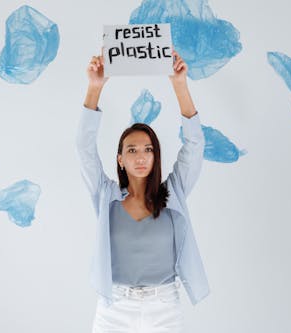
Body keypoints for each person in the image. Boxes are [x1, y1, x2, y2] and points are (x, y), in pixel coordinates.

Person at [77, 51, 210, 333]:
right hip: (114, 309)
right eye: (132, 150)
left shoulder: (174, 192)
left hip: (164, 309)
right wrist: (94, 87)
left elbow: (195, 144)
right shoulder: (106, 196)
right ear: (120, 159)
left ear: (156, 157)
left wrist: (179, 85)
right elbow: (84, 148)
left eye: (148, 150)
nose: (141, 157)